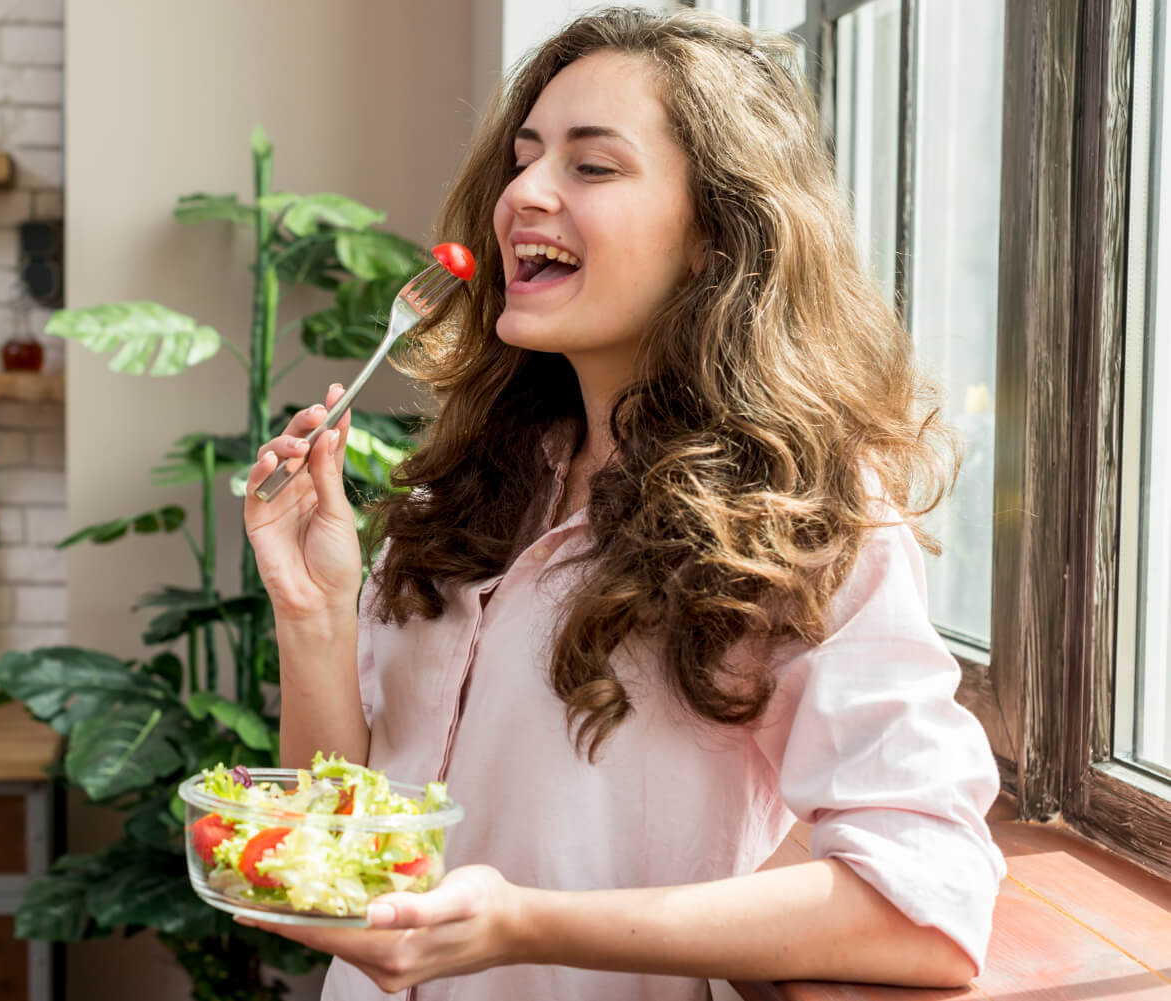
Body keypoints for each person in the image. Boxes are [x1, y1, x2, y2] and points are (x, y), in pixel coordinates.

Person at [241, 7, 1005, 1000]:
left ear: (714, 236)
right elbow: (343, 858)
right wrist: (312, 615)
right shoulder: (472, 484)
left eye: (591, 166)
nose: (524, 192)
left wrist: (522, 921)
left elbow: (927, 906)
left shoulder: (803, 517)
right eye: (524, 159)